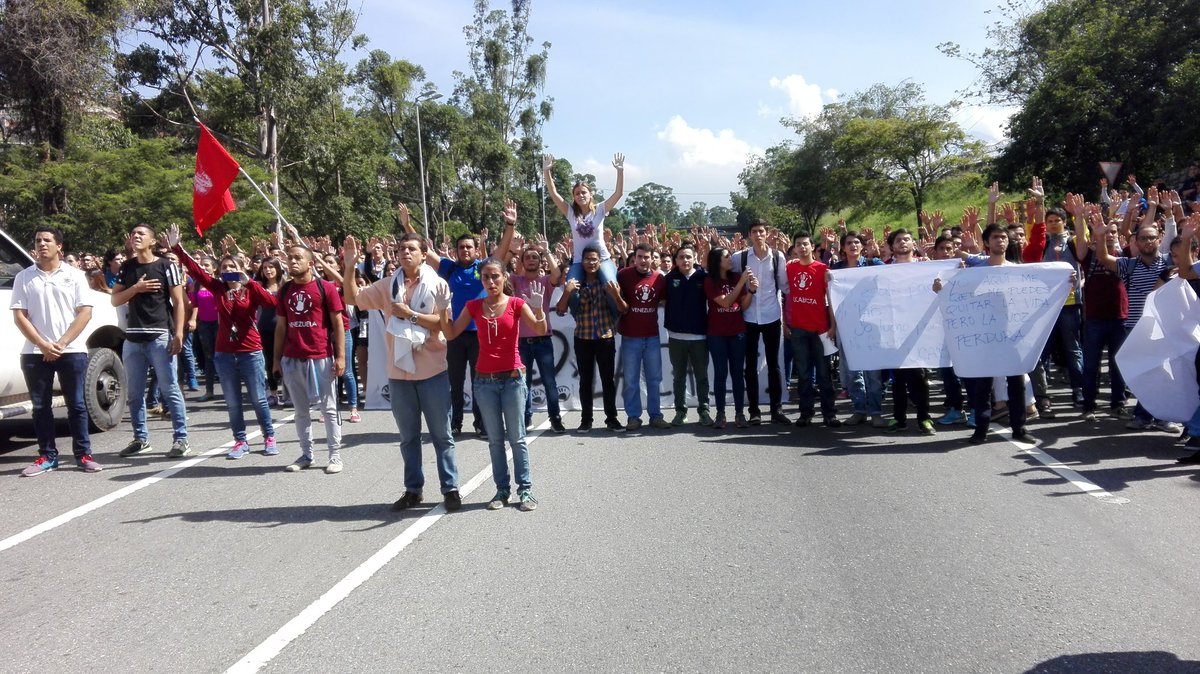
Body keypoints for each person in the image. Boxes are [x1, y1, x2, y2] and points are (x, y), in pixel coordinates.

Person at [343, 232, 462, 512]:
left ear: (424, 253)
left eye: (411, 249)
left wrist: (409, 314)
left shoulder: (438, 285)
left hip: (432, 371)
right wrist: (350, 266)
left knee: (442, 435)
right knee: (408, 438)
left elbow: (444, 327)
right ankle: (413, 490)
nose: (405, 253)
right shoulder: (387, 285)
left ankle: (451, 488)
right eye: (401, 249)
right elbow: (353, 298)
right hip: (399, 375)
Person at [442, 247, 547, 512]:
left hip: (512, 380)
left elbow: (540, 328)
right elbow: (452, 333)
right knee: (495, 440)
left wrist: (539, 309)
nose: (491, 281)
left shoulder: (516, 304)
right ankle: (502, 490)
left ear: (504, 278)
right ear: (481, 279)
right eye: (486, 277)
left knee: (518, 439)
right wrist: (443, 308)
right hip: (484, 382)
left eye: (495, 276)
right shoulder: (474, 306)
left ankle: (526, 491)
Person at [404, 204, 515, 438]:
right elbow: (423, 248)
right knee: (454, 382)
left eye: (469, 247)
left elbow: (503, 250)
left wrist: (510, 225)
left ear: (476, 250)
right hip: (454, 333)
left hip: (480, 334)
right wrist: (407, 225)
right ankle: (455, 423)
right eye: (461, 247)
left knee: (479, 382)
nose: (465, 250)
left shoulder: (483, 268)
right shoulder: (449, 267)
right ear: (455, 251)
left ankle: (481, 423)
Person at [167, 224, 277, 459]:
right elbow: (196, 270)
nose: (228, 270)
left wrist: (249, 282)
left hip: (250, 351)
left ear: (241, 268)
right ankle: (240, 441)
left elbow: (271, 303)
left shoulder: (251, 289)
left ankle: (269, 437)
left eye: (232, 267)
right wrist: (177, 248)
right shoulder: (216, 287)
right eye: (224, 267)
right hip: (225, 353)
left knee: (258, 399)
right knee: (233, 402)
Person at [1090, 194, 1183, 435]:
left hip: (1166, 325)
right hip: (1136, 326)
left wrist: (1175, 214)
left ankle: (1158, 415)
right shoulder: (1129, 265)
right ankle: (1146, 414)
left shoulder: (1171, 262)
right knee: (1145, 372)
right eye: (1143, 238)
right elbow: (1103, 257)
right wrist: (1100, 236)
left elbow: (1189, 250)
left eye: (1152, 238)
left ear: (1159, 239)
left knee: (1165, 372)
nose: (1148, 242)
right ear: (1136, 242)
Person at [12, 227, 101, 476]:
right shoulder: (24, 277)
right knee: (41, 407)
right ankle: (47, 456)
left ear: (59, 246)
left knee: (77, 405)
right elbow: (20, 316)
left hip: (71, 350)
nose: (42, 244)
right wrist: (42, 344)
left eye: (47, 240)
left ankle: (83, 454)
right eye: (38, 240)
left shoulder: (74, 275)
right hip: (34, 353)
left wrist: (61, 343)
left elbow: (85, 312)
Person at [945, 223, 1034, 444]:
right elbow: (957, 292)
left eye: (1003, 237)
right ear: (986, 242)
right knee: (983, 385)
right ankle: (981, 429)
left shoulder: (1016, 270)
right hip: (985, 336)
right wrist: (941, 288)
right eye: (995, 237)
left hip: (1012, 336)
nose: (1000, 241)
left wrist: (1066, 282)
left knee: (1016, 382)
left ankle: (1019, 428)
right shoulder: (976, 272)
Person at [111, 223, 190, 458]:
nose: (136, 237)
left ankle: (181, 438)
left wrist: (179, 333)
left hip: (159, 336)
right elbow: (115, 300)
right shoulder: (127, 267)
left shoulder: (166, 266)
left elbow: (179, 303)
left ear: (152, 241)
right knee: (134, 393)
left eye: (141, 234)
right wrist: (136, 288)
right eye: (134, 234)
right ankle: (141, 438)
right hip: (133, 339)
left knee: (170, 389)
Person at [273, 241, 346, 474]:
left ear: (310, 263)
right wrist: (276, 359)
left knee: (329, 409)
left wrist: (341, 356)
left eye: (297, 257)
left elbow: (338, 324)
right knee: (300, 411)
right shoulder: (285, 290)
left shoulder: (326, 288)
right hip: (293, 357)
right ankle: (307, 454)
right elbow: (281, 327)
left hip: (321, 356)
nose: (292, 261)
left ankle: (335, 456)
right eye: (289, 258)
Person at [557, 245, 623, 433]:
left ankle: (612, 419)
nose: (591, 263)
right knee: (586, 380)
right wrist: (568, 291)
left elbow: (621, 309)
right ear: (582, 262)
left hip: (605, 337)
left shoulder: (608, 284)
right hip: (583, 338)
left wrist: (615, 294)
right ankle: (586, 420)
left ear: (600, 262)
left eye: (595, 259)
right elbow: (561, 311)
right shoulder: (575, 285)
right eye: (587, 259)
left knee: (607, 380)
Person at [731, 220, 790, 425]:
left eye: (761, 231)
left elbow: (784, 285)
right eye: (754, 231)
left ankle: (776, 409)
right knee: (750, 367)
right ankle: (754, 411)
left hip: (772, 315)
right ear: (749, 235)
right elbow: (726, 275)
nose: (758, 235)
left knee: (774, 365)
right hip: (748, 316)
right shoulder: (740, 257)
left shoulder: (777, 256)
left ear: (767, 234)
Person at [784, 233, 840, 428]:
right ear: (795, 248)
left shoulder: (823, 269)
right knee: (804, 375)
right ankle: (805, 413)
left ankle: (829, 413)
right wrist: (784, 324)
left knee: (824, 375)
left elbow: (831, 300)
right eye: (798, 244)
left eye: (805, 244)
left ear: (811, 246)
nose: (802, 247)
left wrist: (833, 325)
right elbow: (780, 294)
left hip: (821, 330)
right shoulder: (789, 268)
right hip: (799, 329)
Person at [510, 238, 566, 433]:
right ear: (523, 262)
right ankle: (526, 418)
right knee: (523, 383)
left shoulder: (544, 281)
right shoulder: (516, 281)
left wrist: (547, 251)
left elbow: (557, 275)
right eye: (527, 257)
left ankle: (555, 418)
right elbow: (503, 272)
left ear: (540, 262)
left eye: (535, 257)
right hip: (521, 342)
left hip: (543, 341)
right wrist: (516, 252)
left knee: (549, 381)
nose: (531, 260)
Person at [830, 231, 885, 427]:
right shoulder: (835, 269)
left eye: (856, 242)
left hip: (872, 327)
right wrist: (833, 326)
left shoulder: (874, 265)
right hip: (847, 328)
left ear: (862, 246)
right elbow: (831, 299)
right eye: (849, 243)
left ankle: (876, 412)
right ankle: (859, 410)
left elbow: (893, 279)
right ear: (843, 248)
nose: (853, 245)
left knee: (873, 374)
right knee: (853, 372)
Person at [543, 152, 624, 284]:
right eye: (577, 193)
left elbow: (618, 193)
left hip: (602, 258)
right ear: (574, 197)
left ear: (590, 194)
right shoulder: (570, 212)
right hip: (579, 261)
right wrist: (546, 172)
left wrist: (620, 171)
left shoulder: (600, 209)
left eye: (584, 192)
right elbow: (553, 193)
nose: (581, 195)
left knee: (611, 285)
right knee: (570, 289)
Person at [882, 229, 932, 434]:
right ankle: (898, 418)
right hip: (894, 330)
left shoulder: (925, 266)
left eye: (907, 239)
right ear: (892, 247)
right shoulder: (883, 269)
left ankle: (924, 419)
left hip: (919, 331)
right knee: (898, 379)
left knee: (919, 377)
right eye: (898, 240)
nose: (903, 243)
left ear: (913, 244)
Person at [617, 242, 670, 430]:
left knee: (654, 379)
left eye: (647, 257)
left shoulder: (659, 278)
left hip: (652, 336)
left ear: (652, 259)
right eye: (639, 257)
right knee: (631, 380)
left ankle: (655, 415)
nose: (643, 260)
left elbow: (665, 300)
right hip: (630, 336)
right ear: (635, 258)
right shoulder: (623, 275)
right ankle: (633, 417)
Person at [704, 247, 756, 429]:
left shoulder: (735, 277)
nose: (730, 259)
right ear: (717, 261)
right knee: (720, 374)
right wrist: (742, 283)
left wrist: (751, 291)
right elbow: (725, 302)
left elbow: (743, 305)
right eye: (726, 257)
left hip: (737, 332)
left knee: (737, 374)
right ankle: (720, 413)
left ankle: (740, 413)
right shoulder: (710, 281)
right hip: (717, 333)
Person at [663, 241, 711, 426]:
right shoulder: (668, 278)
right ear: (676, 259)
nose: (685, 260)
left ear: (695, 258)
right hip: (676, 338)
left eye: (689, 256)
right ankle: (680, 411)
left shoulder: (703, 277)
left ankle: (704, 411)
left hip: (699, 337)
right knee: (679, 378)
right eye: (681, 257)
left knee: (702, 377)